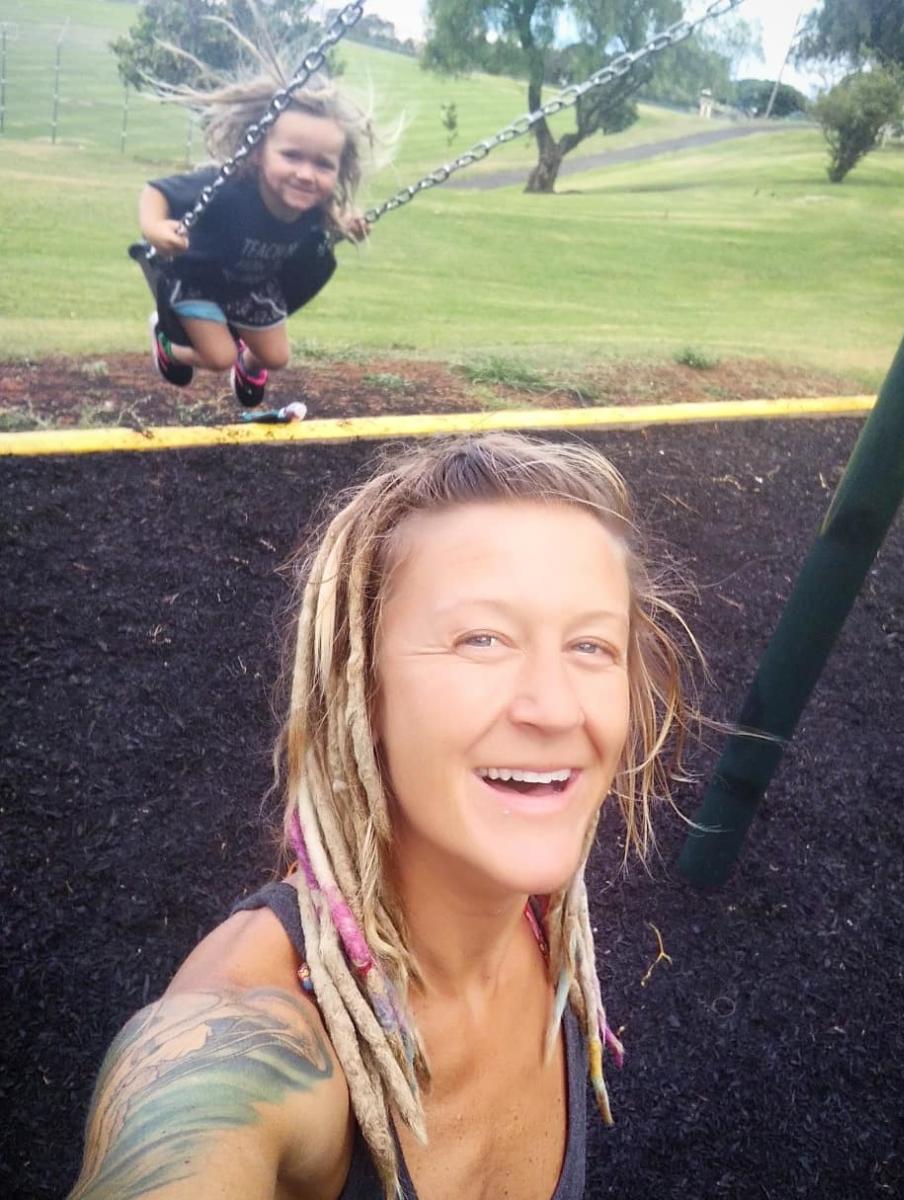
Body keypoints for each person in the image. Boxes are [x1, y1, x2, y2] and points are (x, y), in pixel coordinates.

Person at [69, 433, 699, 1200]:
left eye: (592, 646)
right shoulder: (242, 1045)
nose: (556, 706)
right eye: (483, 639)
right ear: (361, 685)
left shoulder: (547, 938)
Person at [139, 67, 373, 410]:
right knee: (219, 356)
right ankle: (167, 343)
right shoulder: (230, 187)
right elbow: (156, 191)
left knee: (276, 357)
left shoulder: (313, 207)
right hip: (198, 279)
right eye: (291, 156)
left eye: (323, 165)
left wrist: (345, 226)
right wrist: (155, 230)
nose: (306, 175)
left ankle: (246, 370)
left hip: (252, 286)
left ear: (339, 169)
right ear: (258, 151)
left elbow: (320, 227)